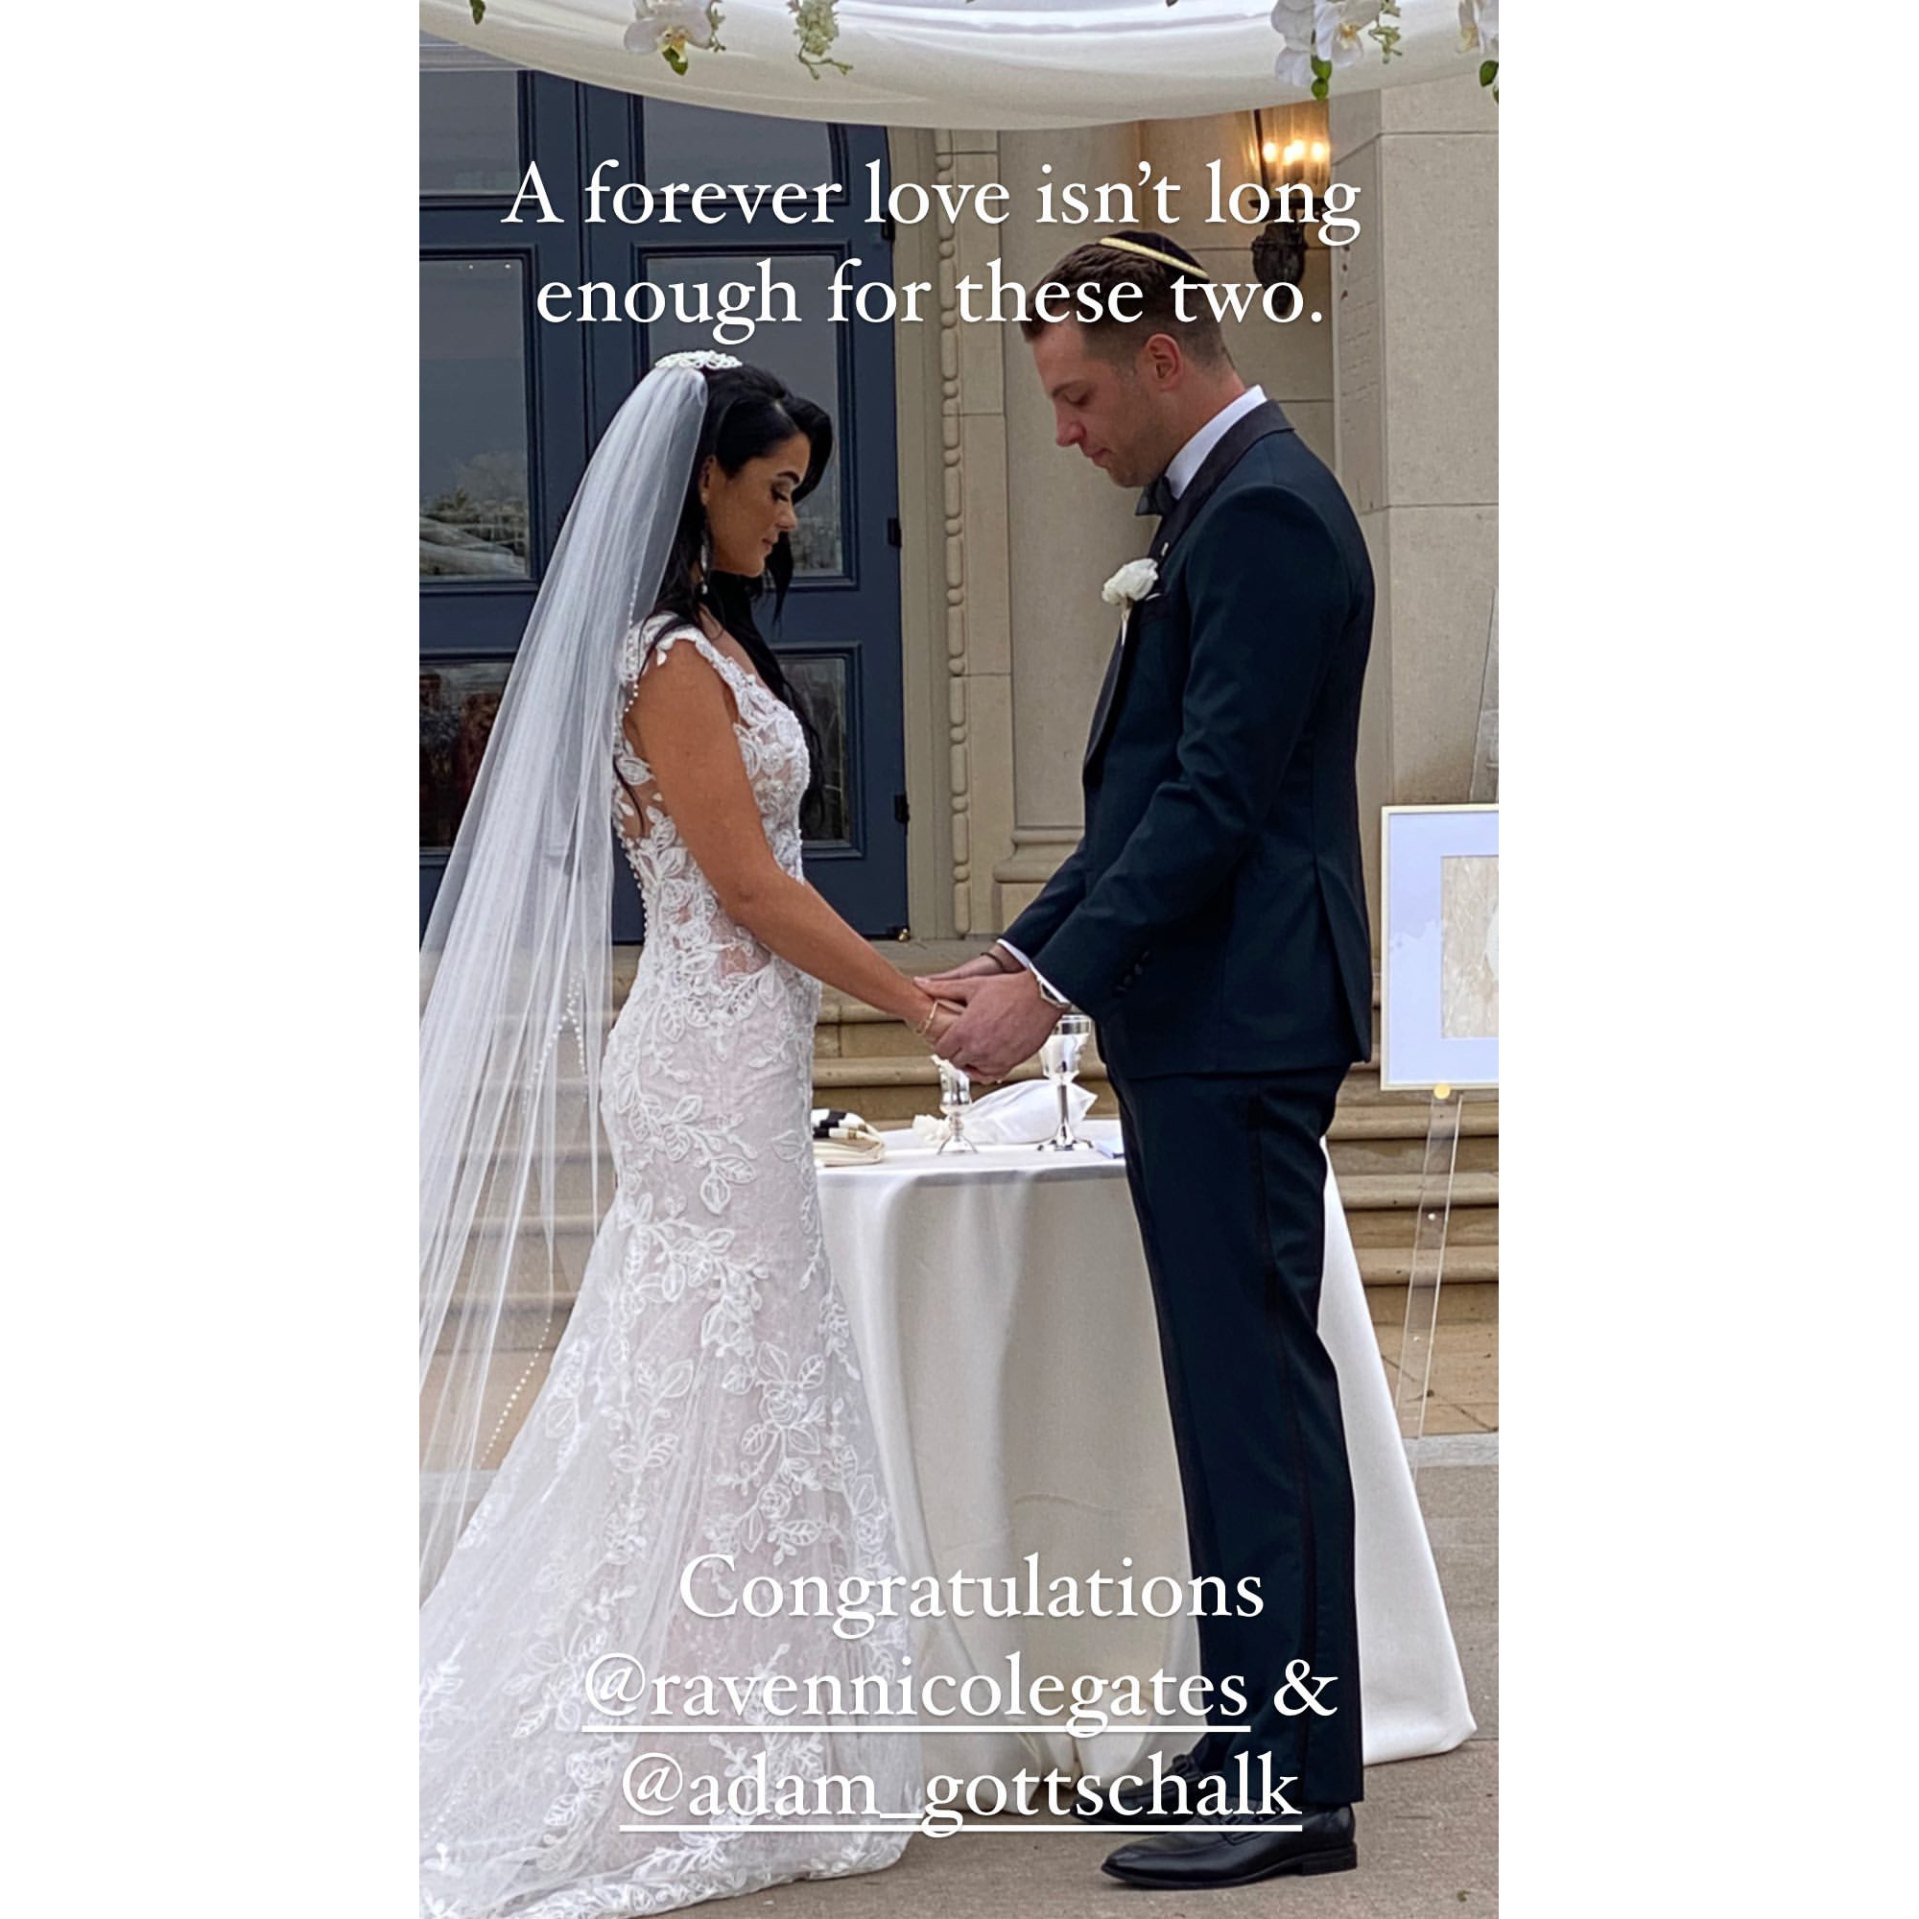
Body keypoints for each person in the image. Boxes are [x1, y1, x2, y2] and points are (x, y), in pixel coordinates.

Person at [419, 355, 959, 1916]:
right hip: (702, 1061)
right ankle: (689, 1735)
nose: (791, 523)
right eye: (775, 491)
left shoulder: (720, 640)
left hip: (737, 1054)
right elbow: (748, 885)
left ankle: (732, 1711)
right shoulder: (666, 661)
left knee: (732, 1378)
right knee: (718, 1370)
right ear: (701, 482)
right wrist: (917, 1002)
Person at [916, 231, 1377, 1890]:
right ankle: (1258, 1736)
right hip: (1208, 1022)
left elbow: (1217, 801)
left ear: (1163, 359)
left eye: (1076, 397)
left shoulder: (1265, 514)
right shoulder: (1217, 509)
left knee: (1254, 1411)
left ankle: (1286, 1780)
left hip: (1244, 1023)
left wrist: (1051, 989)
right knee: (1231, 1403)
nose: (1063, 432)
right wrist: (1022, 953)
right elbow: (1143, 803)